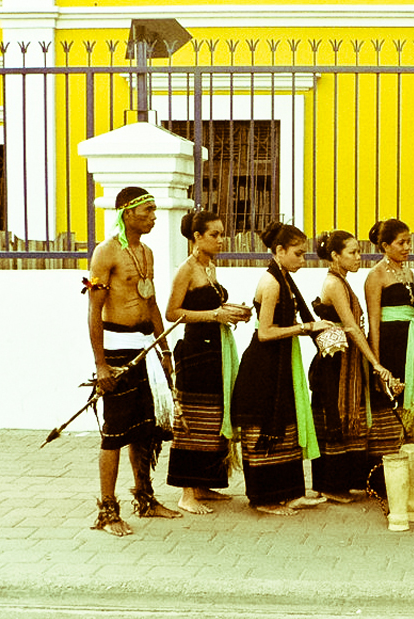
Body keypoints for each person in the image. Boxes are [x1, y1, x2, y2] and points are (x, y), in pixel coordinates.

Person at [85, 186, 181, 536]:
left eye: (155, 210)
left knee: (146, 428)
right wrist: (101, 366)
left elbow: (152, 303)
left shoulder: (147, 253)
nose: (155, 216)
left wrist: (165, 350)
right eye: (149, 210)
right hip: (117, 352)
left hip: (147, 349)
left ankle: (145, 497)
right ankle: (108, 512)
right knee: (114, 432)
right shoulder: (105, 253)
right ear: (127, 213)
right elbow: (94, 310)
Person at [230, 222, 332, 515]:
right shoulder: (272, 282)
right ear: (279, 251)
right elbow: (265, 332)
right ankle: (264, 499)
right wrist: (306, 327)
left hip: (280, 364)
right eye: (298, 254)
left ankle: (290, 493)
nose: (303, 260)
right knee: (267, 428)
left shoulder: (284, 277)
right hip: (264, 366)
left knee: (287, 426)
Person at [165, 210, 251, 514]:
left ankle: (203, 483)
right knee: (194, 418)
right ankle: (186, 492)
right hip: (195, 351)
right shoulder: (186, 270)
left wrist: (233, 310)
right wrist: (216, 315)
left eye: (221, 233)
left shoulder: (210, 268)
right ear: (197, 237)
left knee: (214, 417)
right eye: (213, 234)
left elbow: (213, 305)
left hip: (215, 348)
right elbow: (172, 313)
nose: (220, 239)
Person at [310, 230, 396, 503]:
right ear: (335, 256)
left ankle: (345, 482)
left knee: (352, 416)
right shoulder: (334, 284)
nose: (359, 257)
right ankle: (331, 486)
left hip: (346, 359)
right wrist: (375, 363)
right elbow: (350, 327)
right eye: (352, 252)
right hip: (336, 361)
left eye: (359, 251)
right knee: (337, 417)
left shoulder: (342, 281)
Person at [364, 219, 414, 444]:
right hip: (389, 343)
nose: (407, 248)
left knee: (409, 393)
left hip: (409, 341)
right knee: (391, 396)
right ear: (386, 246)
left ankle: (409, 447)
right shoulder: (376, 275)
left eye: (409, 242)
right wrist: (378, 364)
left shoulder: (408, 272)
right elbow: (374, 321)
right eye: (401, 243)